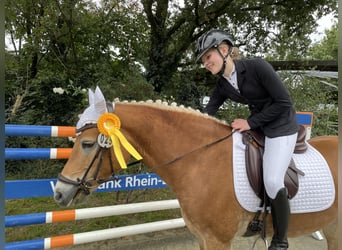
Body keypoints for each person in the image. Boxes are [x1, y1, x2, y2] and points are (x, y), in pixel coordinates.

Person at [195, 29, 299, 250]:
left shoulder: (257, 67)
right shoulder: (222, 84)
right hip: (260, 125)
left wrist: (250, 123)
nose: (205, 63)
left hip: (282, 125)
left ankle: (281, 240)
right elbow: (207, 113)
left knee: (272, 180)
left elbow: (284, 102)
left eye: (208, 57)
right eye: (203, 60)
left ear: (224, 50)